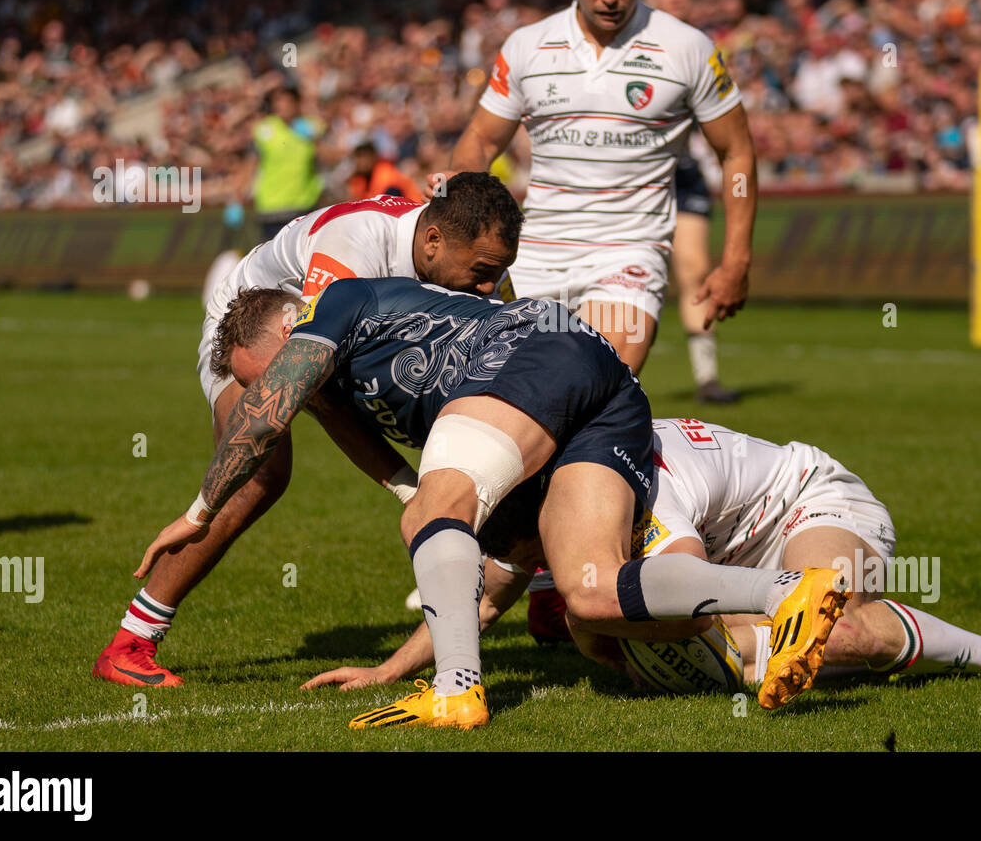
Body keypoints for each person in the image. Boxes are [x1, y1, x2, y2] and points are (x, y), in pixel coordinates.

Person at [133, 281, 851, 729]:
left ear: (292, 335)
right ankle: (788, 593)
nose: (294, 398)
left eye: (277, 377)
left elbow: (264, 419)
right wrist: (389, 670)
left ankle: (457, 694)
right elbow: (480, 592)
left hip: (534, 355)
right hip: (592, 394)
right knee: (592, 595)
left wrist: (199, 510)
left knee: (436, 512)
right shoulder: (356, 389)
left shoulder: (335, 303)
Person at [93, 174, 522, 688]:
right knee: (259, 472)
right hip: (255, 323)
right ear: (433, 242)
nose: (487, 286)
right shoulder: (353, 247)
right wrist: (409, 486)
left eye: (496, 274)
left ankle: (539, 588)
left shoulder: (473, 259)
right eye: (480, 272)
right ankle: (130, 642)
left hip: (332, 334)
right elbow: (321, 393)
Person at [312, 418, 981, 694]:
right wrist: (389, 671)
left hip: (813, 503)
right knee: (600, 626)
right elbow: (483, 596)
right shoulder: (552, 489)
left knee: (832, 618)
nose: (518, 558)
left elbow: (677, 595)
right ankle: (755, 658)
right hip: (728, 561)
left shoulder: (634, 486)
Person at [442, 0, 757, 376]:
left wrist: (736, 260)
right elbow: (482, 139)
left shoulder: (689, 48)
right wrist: (464, 199)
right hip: (533, 254)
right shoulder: (527, 46)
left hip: (628, 253)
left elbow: (736, 152)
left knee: (592, 387)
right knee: (508, 402)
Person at [646, 0, 740, 404]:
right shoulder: (631, 45)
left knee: (694, 269)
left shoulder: (702, 48)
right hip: (634, 177)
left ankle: (707, 377)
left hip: (682, 174)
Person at [252, 86, 326, 241]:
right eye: (277, 101)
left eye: (287, 101)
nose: (282, 106)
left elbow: (325, 149)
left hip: (303, 206)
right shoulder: (265, 130)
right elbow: (251, 162)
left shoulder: (308, 128)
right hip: (271, 207)